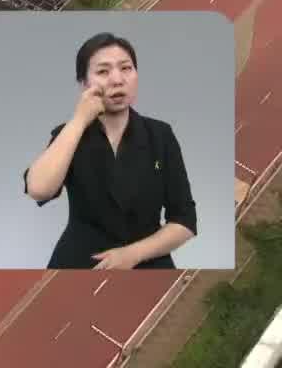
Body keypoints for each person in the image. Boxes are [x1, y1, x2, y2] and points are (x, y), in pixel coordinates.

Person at [22, 33, 197, 269]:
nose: (117, 79)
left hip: (148, 260)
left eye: (126, 68)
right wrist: (79, 119)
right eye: (103, 72)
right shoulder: (69, 134)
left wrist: (132, 255)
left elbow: (184, 220)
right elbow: (39, 189)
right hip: (80, 260)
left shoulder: (160, 135)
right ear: (85, 84)